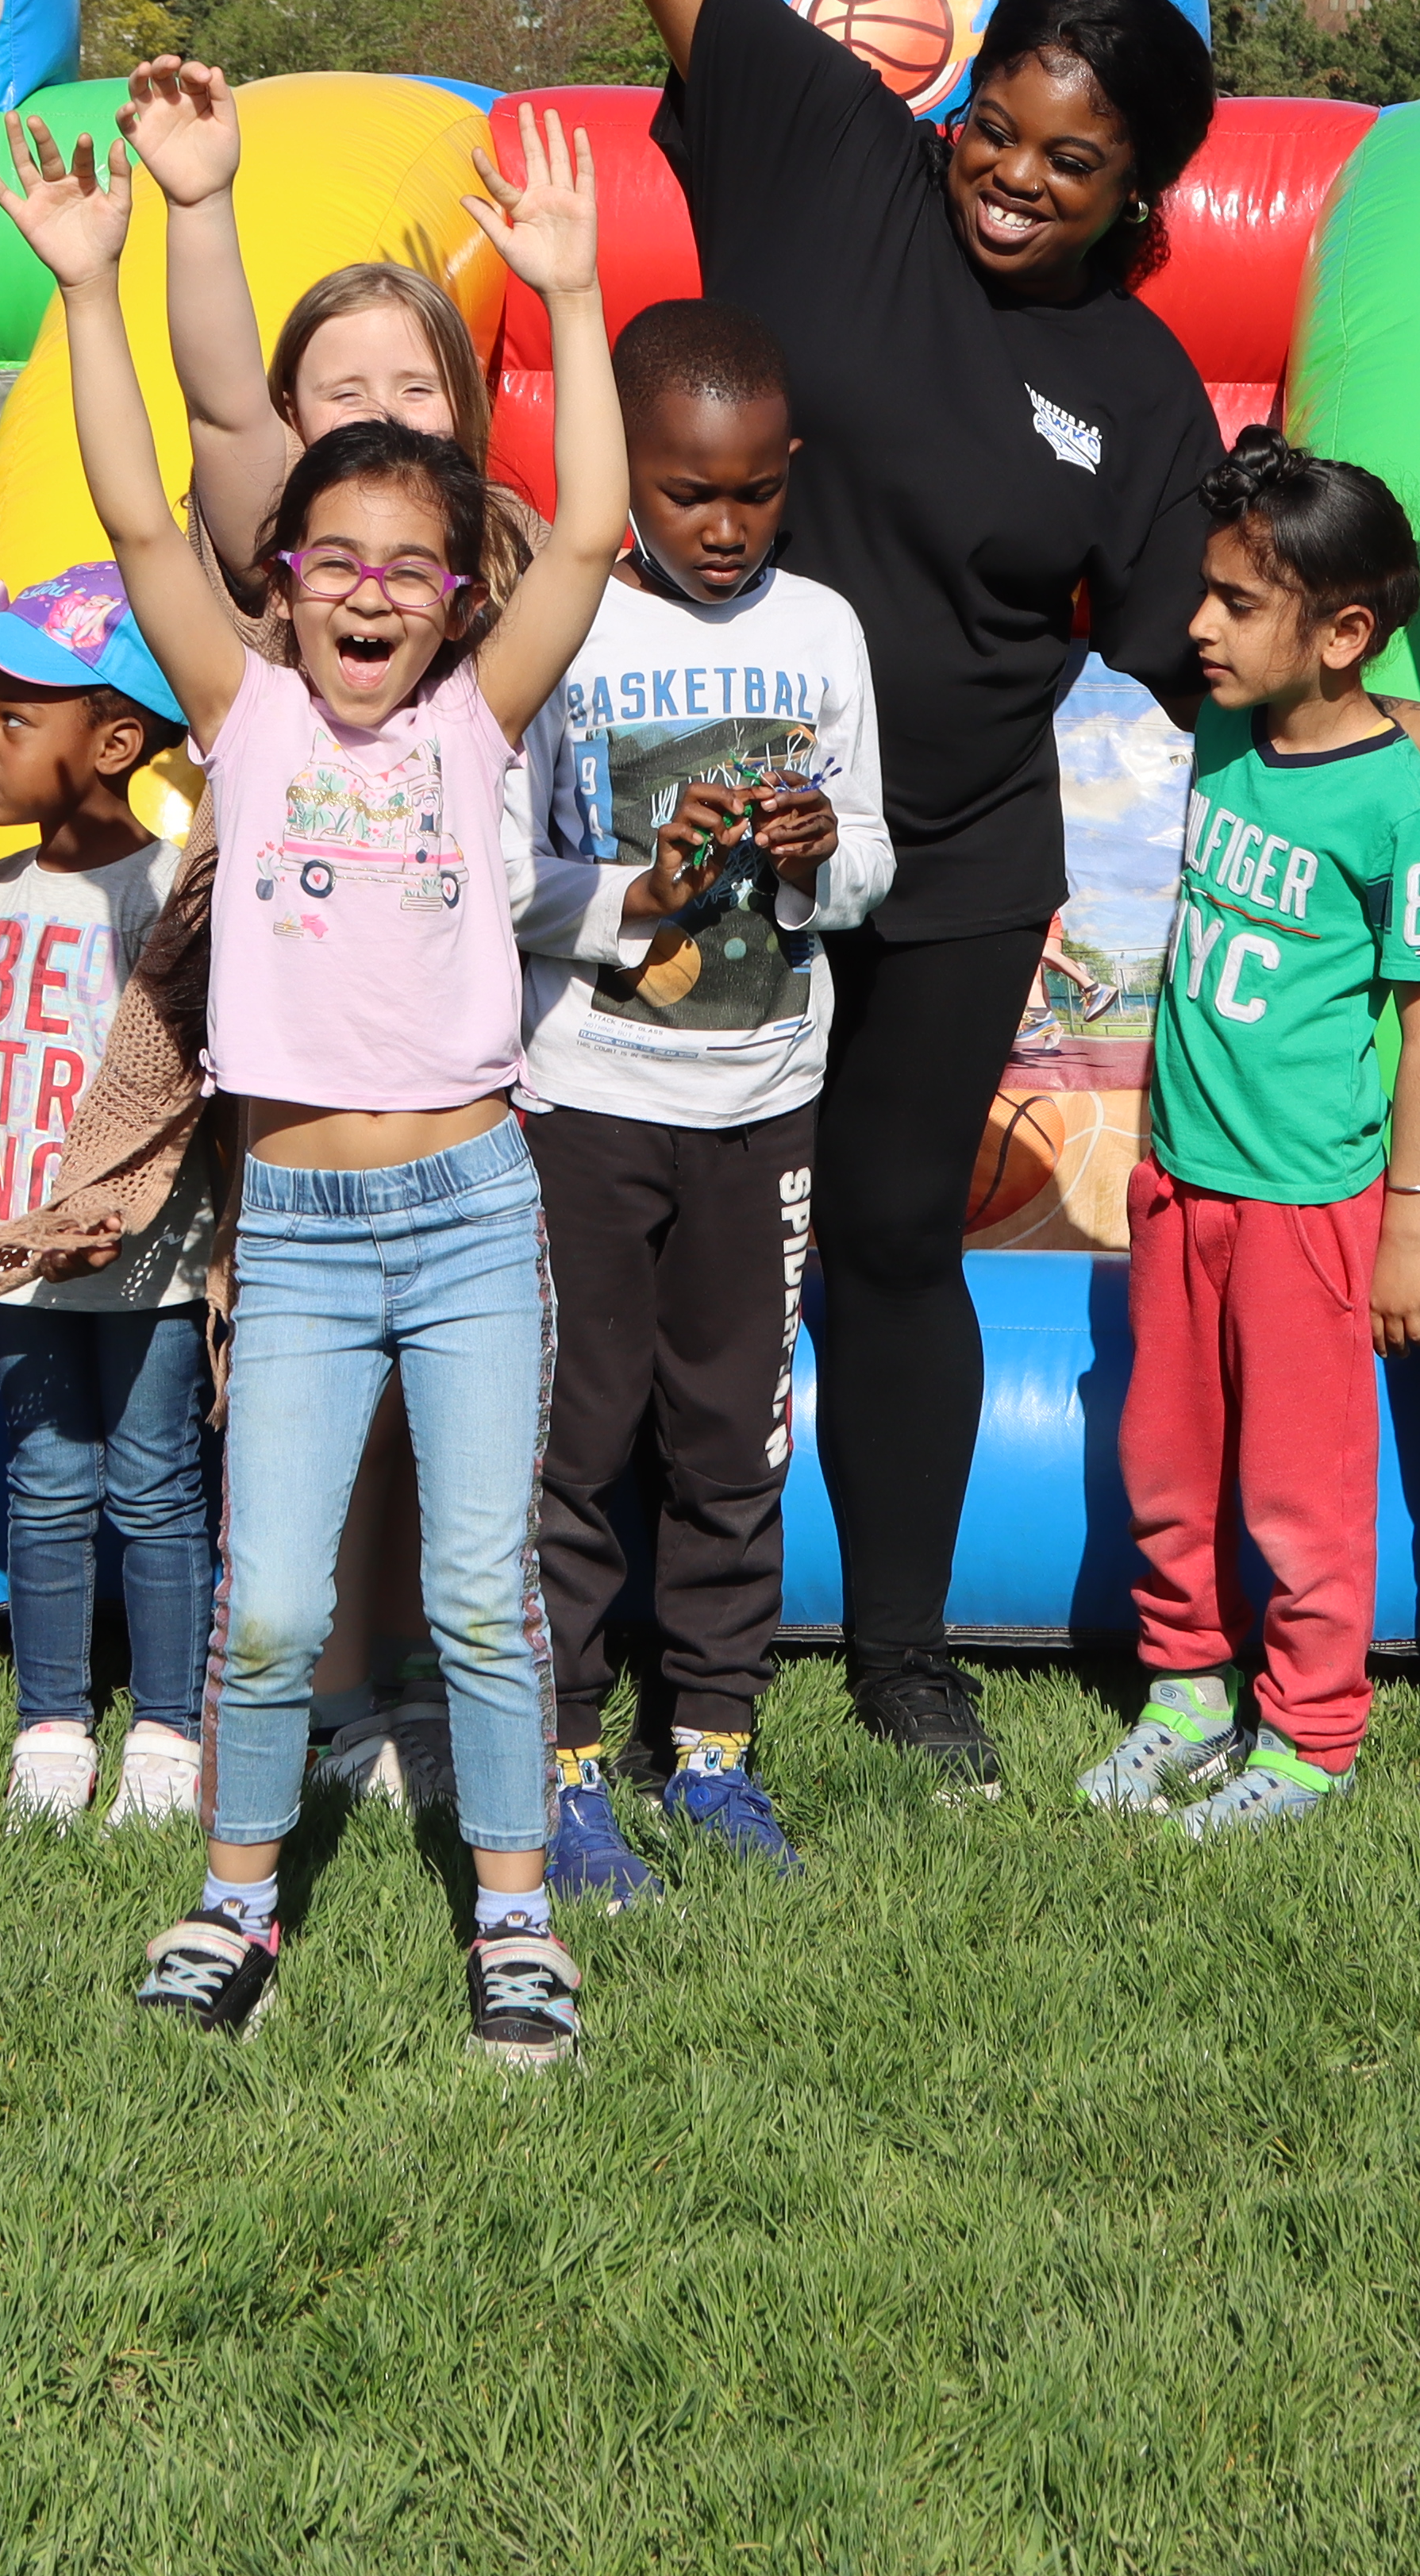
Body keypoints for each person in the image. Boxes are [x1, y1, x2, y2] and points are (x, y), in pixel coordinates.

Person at [393, 0, 1248, 1801]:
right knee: (680, 1225)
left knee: (882, 1233)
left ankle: (894, 1648)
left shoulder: (1142, 385)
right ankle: (650, 1643)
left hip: (959, 846)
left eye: (1071, 160)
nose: (1010, 174)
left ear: (1138, 186)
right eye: (996, 125)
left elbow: (1198, 649)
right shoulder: (820, 159)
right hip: (721, 809)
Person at [0, 82, 629, 2066]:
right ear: (276, 581)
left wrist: (577, 296)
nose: (365, 585)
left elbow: (592, 520)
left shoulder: (477, 718)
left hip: (464, 1210)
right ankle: (238, 1898)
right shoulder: (242, 714)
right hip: (304, 1222)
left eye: (406, 560)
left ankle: (514, 1919)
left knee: (471, 1588)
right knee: (268, 1600)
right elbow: (121, 503)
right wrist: (95, 288)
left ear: (457, 590)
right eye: (328, 555)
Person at [120, 64, 539, 1806]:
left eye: (412, 379)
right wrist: (198, 208)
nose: (382, 410)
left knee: (459, 1442)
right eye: (337, 391)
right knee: (317, 1429)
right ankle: (331, 1703)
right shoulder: (290, 606)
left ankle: (435, 1692)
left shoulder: (502, 572)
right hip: (319, 1076)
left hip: (496, 1054)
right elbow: (213, 421)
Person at [507, 298, 894, 1904]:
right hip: (586, 1099)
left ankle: (717, 1746)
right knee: (576, 1435)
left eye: (749, 493)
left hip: (765, 1100)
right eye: (683, 494)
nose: (721, 529)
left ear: (789, 472)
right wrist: (633, 892)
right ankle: (564, 1757)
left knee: (735, 1436)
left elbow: (874, 852)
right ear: (623, 482)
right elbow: (501, 879)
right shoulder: (563, 627)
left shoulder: (823, 629)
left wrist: (818, 868)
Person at [1078, 439, 1420, 1842]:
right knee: (1168, 1462)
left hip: (1311, 1210)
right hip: (1182, 1184)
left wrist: (1411, 1225)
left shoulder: (1400, 811)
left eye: (1239, 604)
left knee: (1301, 1491)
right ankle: (1187, 1686)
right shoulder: (1229, 729)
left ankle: (1310, 1733)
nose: (1202, 625)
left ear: (1345, 632)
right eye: (1210, 592)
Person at [0, 564, 219, 1831]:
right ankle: (51, 1721)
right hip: (26, 1262)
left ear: (109, 739)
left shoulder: (169, 897)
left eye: (9, 719)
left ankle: (165, 1726)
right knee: (45, 1480)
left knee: (155, 1484)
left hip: (151, 1261)